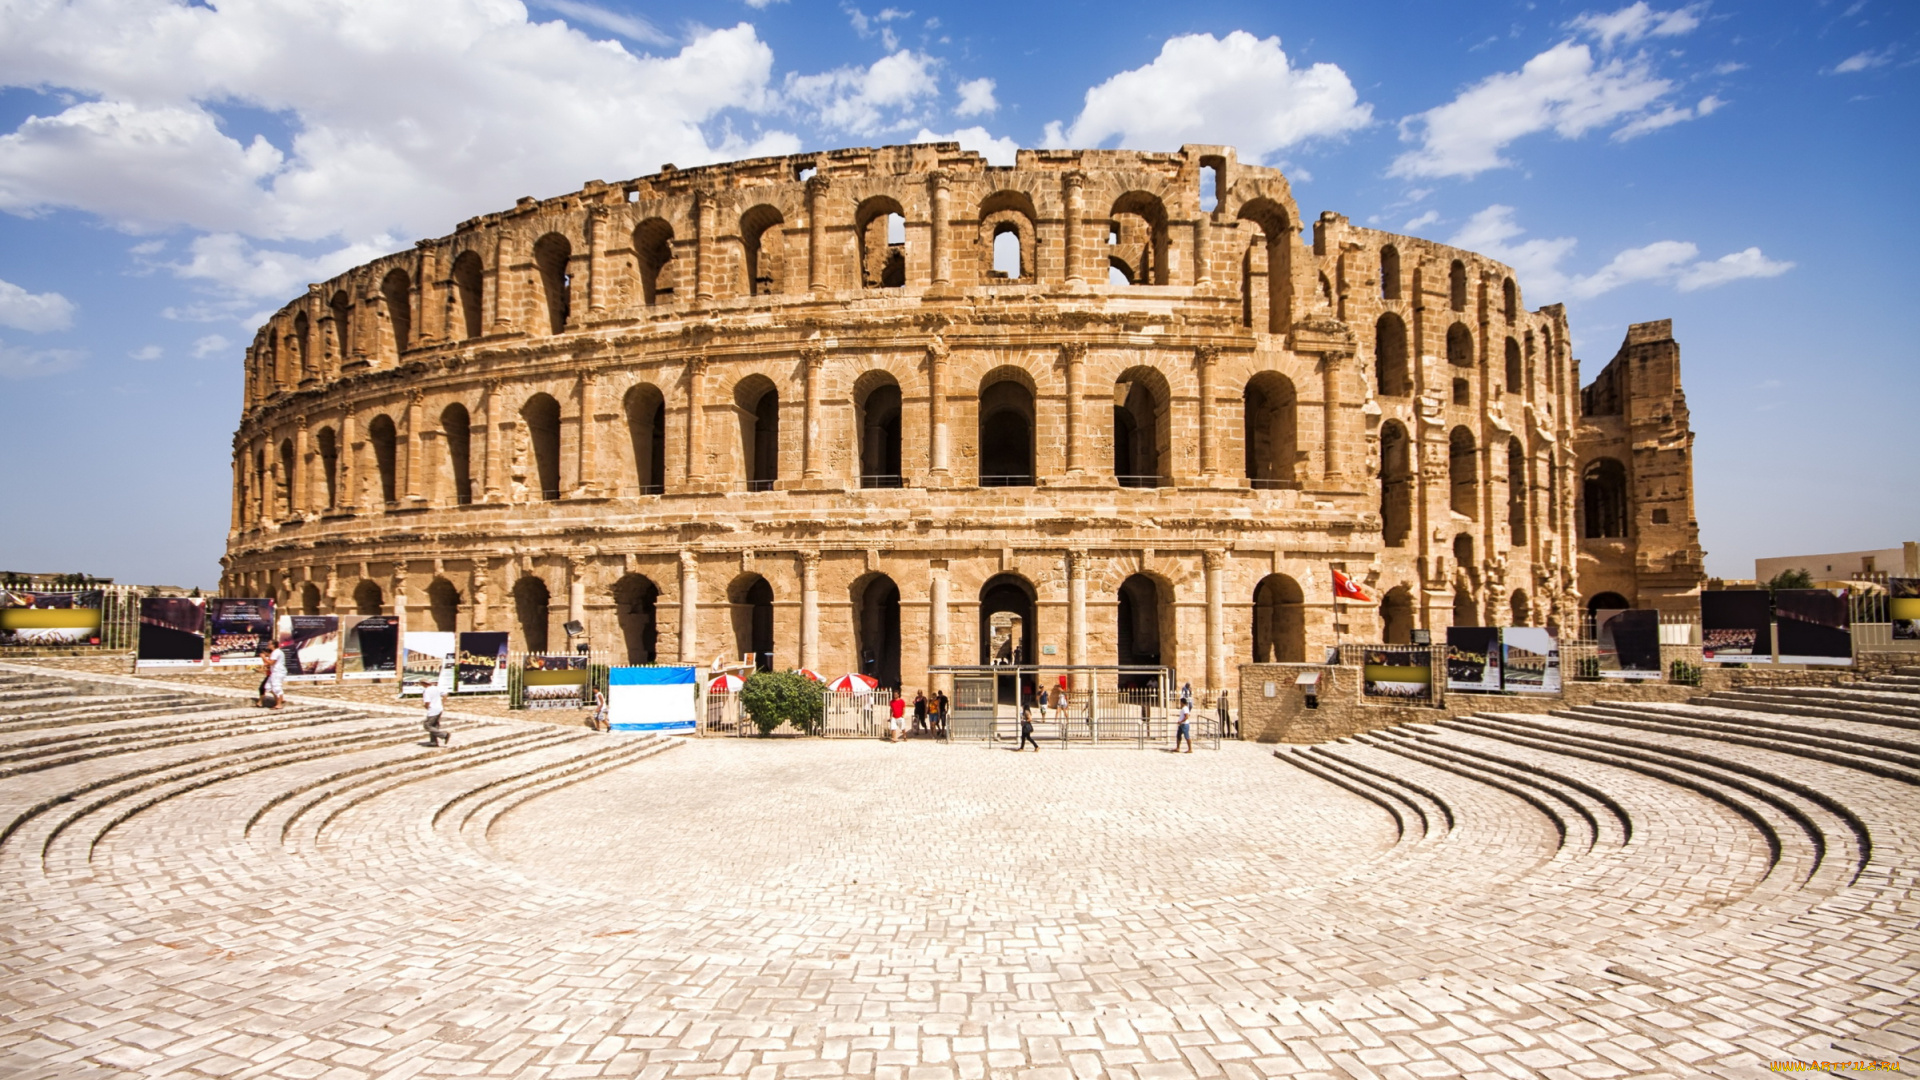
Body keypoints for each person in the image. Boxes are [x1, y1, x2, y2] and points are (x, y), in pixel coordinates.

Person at [422, 679, 450, 746]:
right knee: (434, 726)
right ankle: (434, 742)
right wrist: (442, 703)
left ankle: (444, 735)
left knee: (427, 725)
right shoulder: (436, 688)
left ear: (424, 683)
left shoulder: (427, 691)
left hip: (433, 710)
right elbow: (445, 694)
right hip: (439, 709)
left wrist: (426, 707)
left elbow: (427, 702)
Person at [260, 643, 286, 709]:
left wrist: (263, 657)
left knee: (277, 687)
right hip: (274, 672)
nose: (268, 645)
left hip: (277, 672)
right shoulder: (275, 652)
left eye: (269, 644)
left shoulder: (276, 652)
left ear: (273, 645)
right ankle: (278, 700)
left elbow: (271, 663)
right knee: (268, 687)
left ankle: (279, 704)